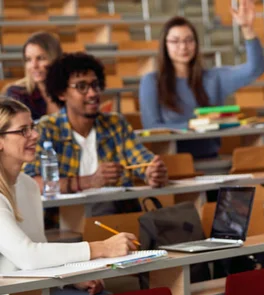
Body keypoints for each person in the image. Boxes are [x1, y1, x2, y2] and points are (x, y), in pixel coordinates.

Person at [0, 96, 138, 295]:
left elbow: (39, 249)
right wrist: (100, 248)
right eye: (23, 131)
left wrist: (74, 278)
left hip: (35, 293)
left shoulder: (25, 185)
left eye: (33, 127)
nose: (34, 135)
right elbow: (28, 255)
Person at [23, 52, 168, 216]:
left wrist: (153, 172)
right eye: (81, 87)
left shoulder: (115, 124)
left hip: (117, 219)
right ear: (61, 93)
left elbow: (142, 160)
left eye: (95, 85)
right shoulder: (46, 129)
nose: (92, 93)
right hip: (65, 222)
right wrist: (89, 181)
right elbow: (31, 183)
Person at [139, 2, 264, 159]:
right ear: (164, 46)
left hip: (210, 159)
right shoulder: (151, 81)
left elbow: (255, 69)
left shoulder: (213, 78)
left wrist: (247, 29)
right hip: (172, 161)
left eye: (189, 40)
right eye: (175, 41)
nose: (183, 47)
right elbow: (152, 127)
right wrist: (196, 126)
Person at [5, 31, 62, 120]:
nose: (34, 65)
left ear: (55, 59)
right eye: (28, 60)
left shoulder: (70, 91)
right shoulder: (16, 94)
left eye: (41, 58)